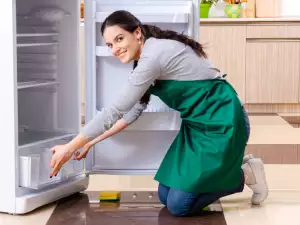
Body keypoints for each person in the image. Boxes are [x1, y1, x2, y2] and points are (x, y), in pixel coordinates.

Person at [49, 10, 268, 216]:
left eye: (119, 39)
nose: (114, 49)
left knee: (178, 206)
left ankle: (242, 174)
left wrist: (70, 148)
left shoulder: (154, 56)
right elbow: (130, 114)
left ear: (137, 33)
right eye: (109, 44)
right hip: (197, 128)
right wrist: (89, 143)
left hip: (224, 121)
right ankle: (228, 171)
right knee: (165, 195)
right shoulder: (145, 62)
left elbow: (115, 110)